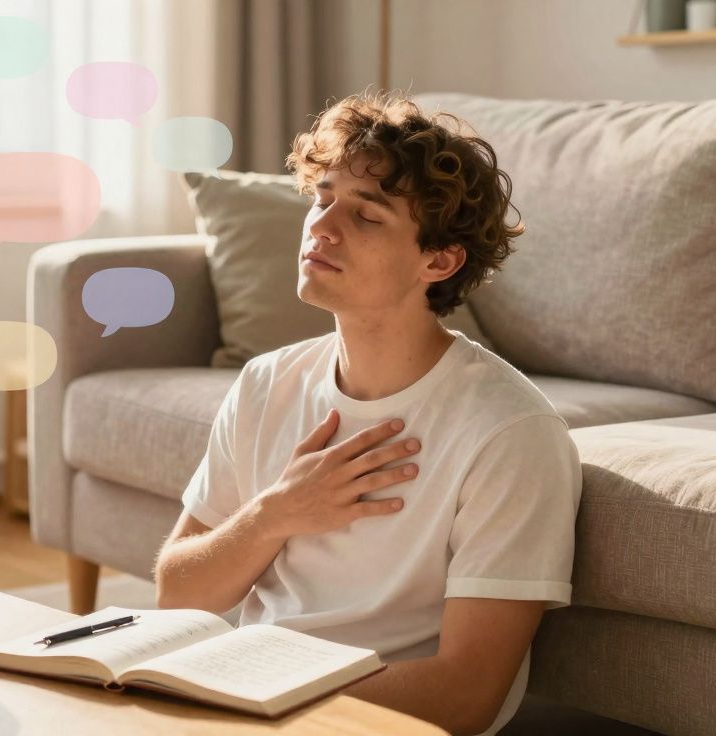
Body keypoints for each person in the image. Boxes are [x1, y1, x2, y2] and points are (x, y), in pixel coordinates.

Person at [152, 88, 582, 736]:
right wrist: (277, 513)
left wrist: (266, 689)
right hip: (247, 708)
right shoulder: (266, 384)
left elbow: (467, 696)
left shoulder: (510, 434)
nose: (321, 227)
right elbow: (177, 597)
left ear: (438, 261)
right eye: (322, 198)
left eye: (366, 216)